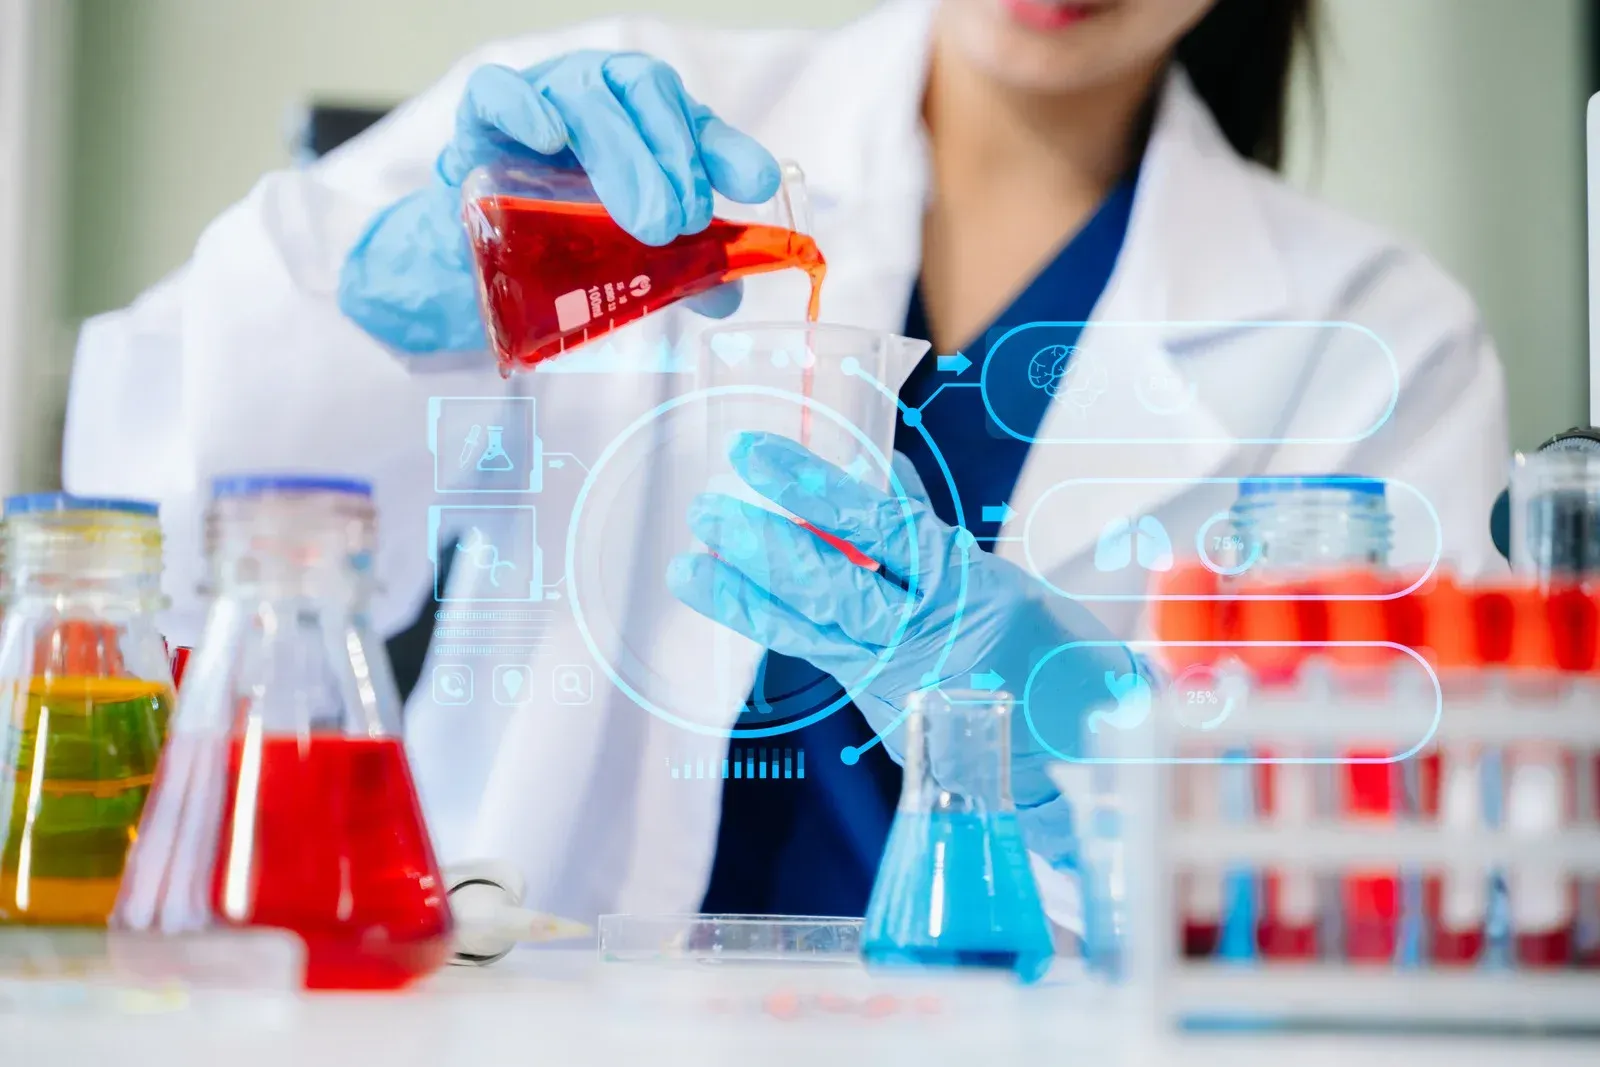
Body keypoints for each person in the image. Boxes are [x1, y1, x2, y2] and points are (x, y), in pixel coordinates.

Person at [63, 0, 1507, 933]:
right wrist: (392, 313)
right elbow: (151, 507)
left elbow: (1412, 872)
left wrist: (1097, 739)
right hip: (536, 1003)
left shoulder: (1370, 336)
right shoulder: (635, 129)